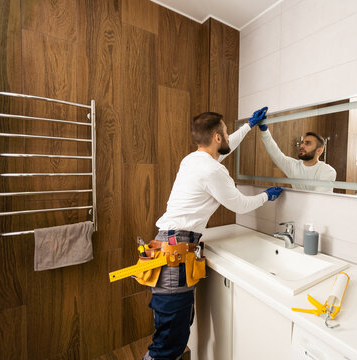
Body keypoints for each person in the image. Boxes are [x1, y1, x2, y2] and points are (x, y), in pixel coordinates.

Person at [143, 108, 283, 360]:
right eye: (226, 132)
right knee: (167, 345)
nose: (229, 136)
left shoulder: (192, 160)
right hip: (175, 257)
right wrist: (266, 197)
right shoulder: (213, 171)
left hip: (168, 246)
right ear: (217, 137)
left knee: (171, 334)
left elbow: (224, 151)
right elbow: (240, 205)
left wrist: (249, 126)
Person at [258, 121, 336, 193]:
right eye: (302, 143)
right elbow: (275, 152)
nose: (302, 146)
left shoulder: (328, 171)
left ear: (319, 151)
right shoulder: (294, 165)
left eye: (307, 143)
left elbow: (317, 199)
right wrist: (264, 130)